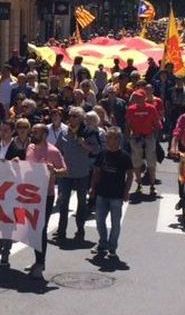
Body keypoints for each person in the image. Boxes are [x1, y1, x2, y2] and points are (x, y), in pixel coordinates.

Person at [25, 123, 67, 279]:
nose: (33, 133)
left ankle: (41, 264)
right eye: (33, 130)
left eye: (36, 132)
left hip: (46, 195)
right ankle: (37, 260)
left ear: (44, 134)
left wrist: (54, 171)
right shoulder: (30, 148)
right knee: (31, 229)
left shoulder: (53, 151)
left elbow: (64, 171)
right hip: (29, 194)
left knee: (40, 229)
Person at [55, 107, 99, 241]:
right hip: (66, 174)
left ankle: (80, 230)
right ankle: (61, 230)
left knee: (82, 203)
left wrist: (84, 145)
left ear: (81, 118)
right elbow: (57, 150)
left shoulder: (89, 132)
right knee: (63, 202)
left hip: (82, 173)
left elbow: (96, 149)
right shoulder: (63, 131)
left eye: (75, 116)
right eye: (70, 116)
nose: (71, 118)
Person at [89, 127, 134, 258]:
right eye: (107, 137)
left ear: (118, 140)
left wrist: (126, 192)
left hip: (117, 195)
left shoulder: (125, 156)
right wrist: (92, 188)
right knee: (99, 220)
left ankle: (112, 247)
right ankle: (102, 243)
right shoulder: (102, 154)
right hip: (102, 193)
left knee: (115, 223)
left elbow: (130, 175)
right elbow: (96, 172)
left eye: (111, 137)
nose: (108, 140)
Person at [0, 120, 26, 267]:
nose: (3, 133)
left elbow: (22, 171)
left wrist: (17, 164)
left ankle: (6, 252)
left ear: (12, 132)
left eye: (6, 130)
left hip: (10, 190)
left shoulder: (18, 149)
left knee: (8, 222)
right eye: (1, 130)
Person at [125, 89, 162, 195]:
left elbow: (157, 124)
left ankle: (152, 185)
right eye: (136, 97)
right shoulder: (131, 109)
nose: (138, 99)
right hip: (136, 137)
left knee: (151, 161)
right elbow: (128, 124)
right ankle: (139, 184)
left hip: (149, 136)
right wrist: (128, 138)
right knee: (136, 161)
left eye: (140, 97)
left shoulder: (151, 108)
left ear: (144, 97)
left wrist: (154, 137)